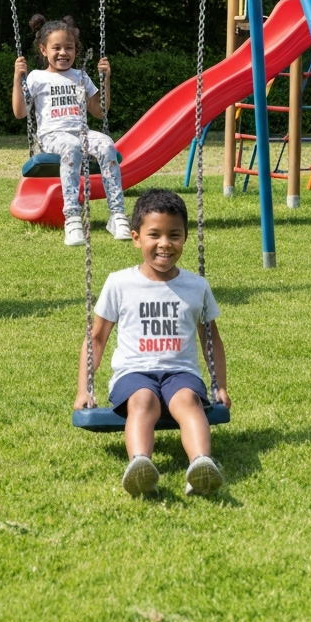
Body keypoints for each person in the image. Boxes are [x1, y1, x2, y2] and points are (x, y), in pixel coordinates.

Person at [74, 188, 231, 497]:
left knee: (188, 400)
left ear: (185, 237)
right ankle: (140, 466)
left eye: (174, 235)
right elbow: (97, 337)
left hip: (180, 372)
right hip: (134, 373)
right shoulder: (120, 283)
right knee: (143, 401)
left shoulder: (196, 286)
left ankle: (201, 464)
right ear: (136, 238)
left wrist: (219, 385)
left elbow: (210, 338)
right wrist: (84, 389)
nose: (164, 244)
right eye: (154, 235)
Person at [13, 14, 130, 246]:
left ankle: (117, 215)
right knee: (72, 146)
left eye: (69, 48)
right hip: (53, 136)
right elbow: (20, 112)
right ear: (43, 50)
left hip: (81, 133)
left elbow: (99, 111)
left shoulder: (81, 76)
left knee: (107, 144)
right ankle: (73, 217)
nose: (63, 53)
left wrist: (106, 80)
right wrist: (18, 79)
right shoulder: (37, 77)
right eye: (56, 48)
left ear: (76, 50)